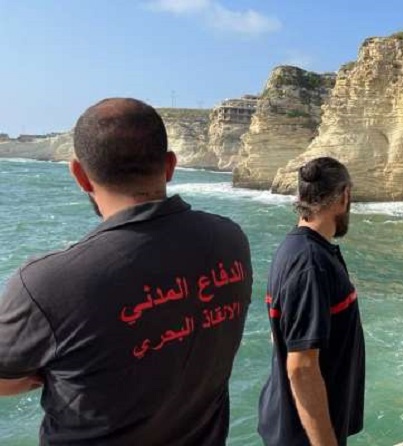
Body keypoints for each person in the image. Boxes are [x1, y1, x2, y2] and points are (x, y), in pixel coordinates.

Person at [0, 98, 253, 445]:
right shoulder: (231, 240)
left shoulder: (46, 283)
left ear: (79, 175)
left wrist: (53, 369)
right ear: (170, 165)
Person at [258, 157, 365, 446]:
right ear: (344, 196)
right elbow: (301, 367)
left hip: (293, 425)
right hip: (302, 436)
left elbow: (280, 333)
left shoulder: (296, 250)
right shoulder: (310, 263)